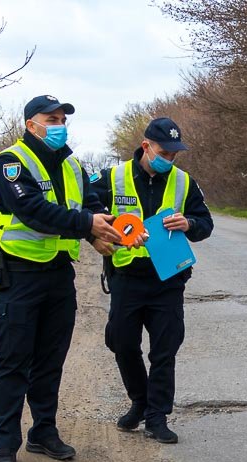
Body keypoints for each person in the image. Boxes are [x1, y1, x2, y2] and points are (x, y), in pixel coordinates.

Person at [0, 95, 128, 462]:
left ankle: (43, 431)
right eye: (52, 118)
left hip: (58, 274)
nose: (60, 124)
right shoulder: (11, 163)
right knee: (14, 360)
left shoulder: (72, 163)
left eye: (63, 118)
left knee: (50, 360)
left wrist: (102, 229)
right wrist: (85, 226)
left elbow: (92, 202)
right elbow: (31, 210)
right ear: (32, 124)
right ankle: (4, 444)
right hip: (20, 274)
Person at [92, 117, 214, 443]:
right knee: (121, 342)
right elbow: (87, 210)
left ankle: (157, 417)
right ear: (146, 146)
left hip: (168, 278)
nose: (169, 159)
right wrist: (103, 230)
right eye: (164, 152)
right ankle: (140, 401)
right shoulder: (112, 178)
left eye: (174, 154)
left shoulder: (184, 182)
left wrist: (189, 222)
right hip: (127, 276)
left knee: (165, 348)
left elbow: (205, 223)